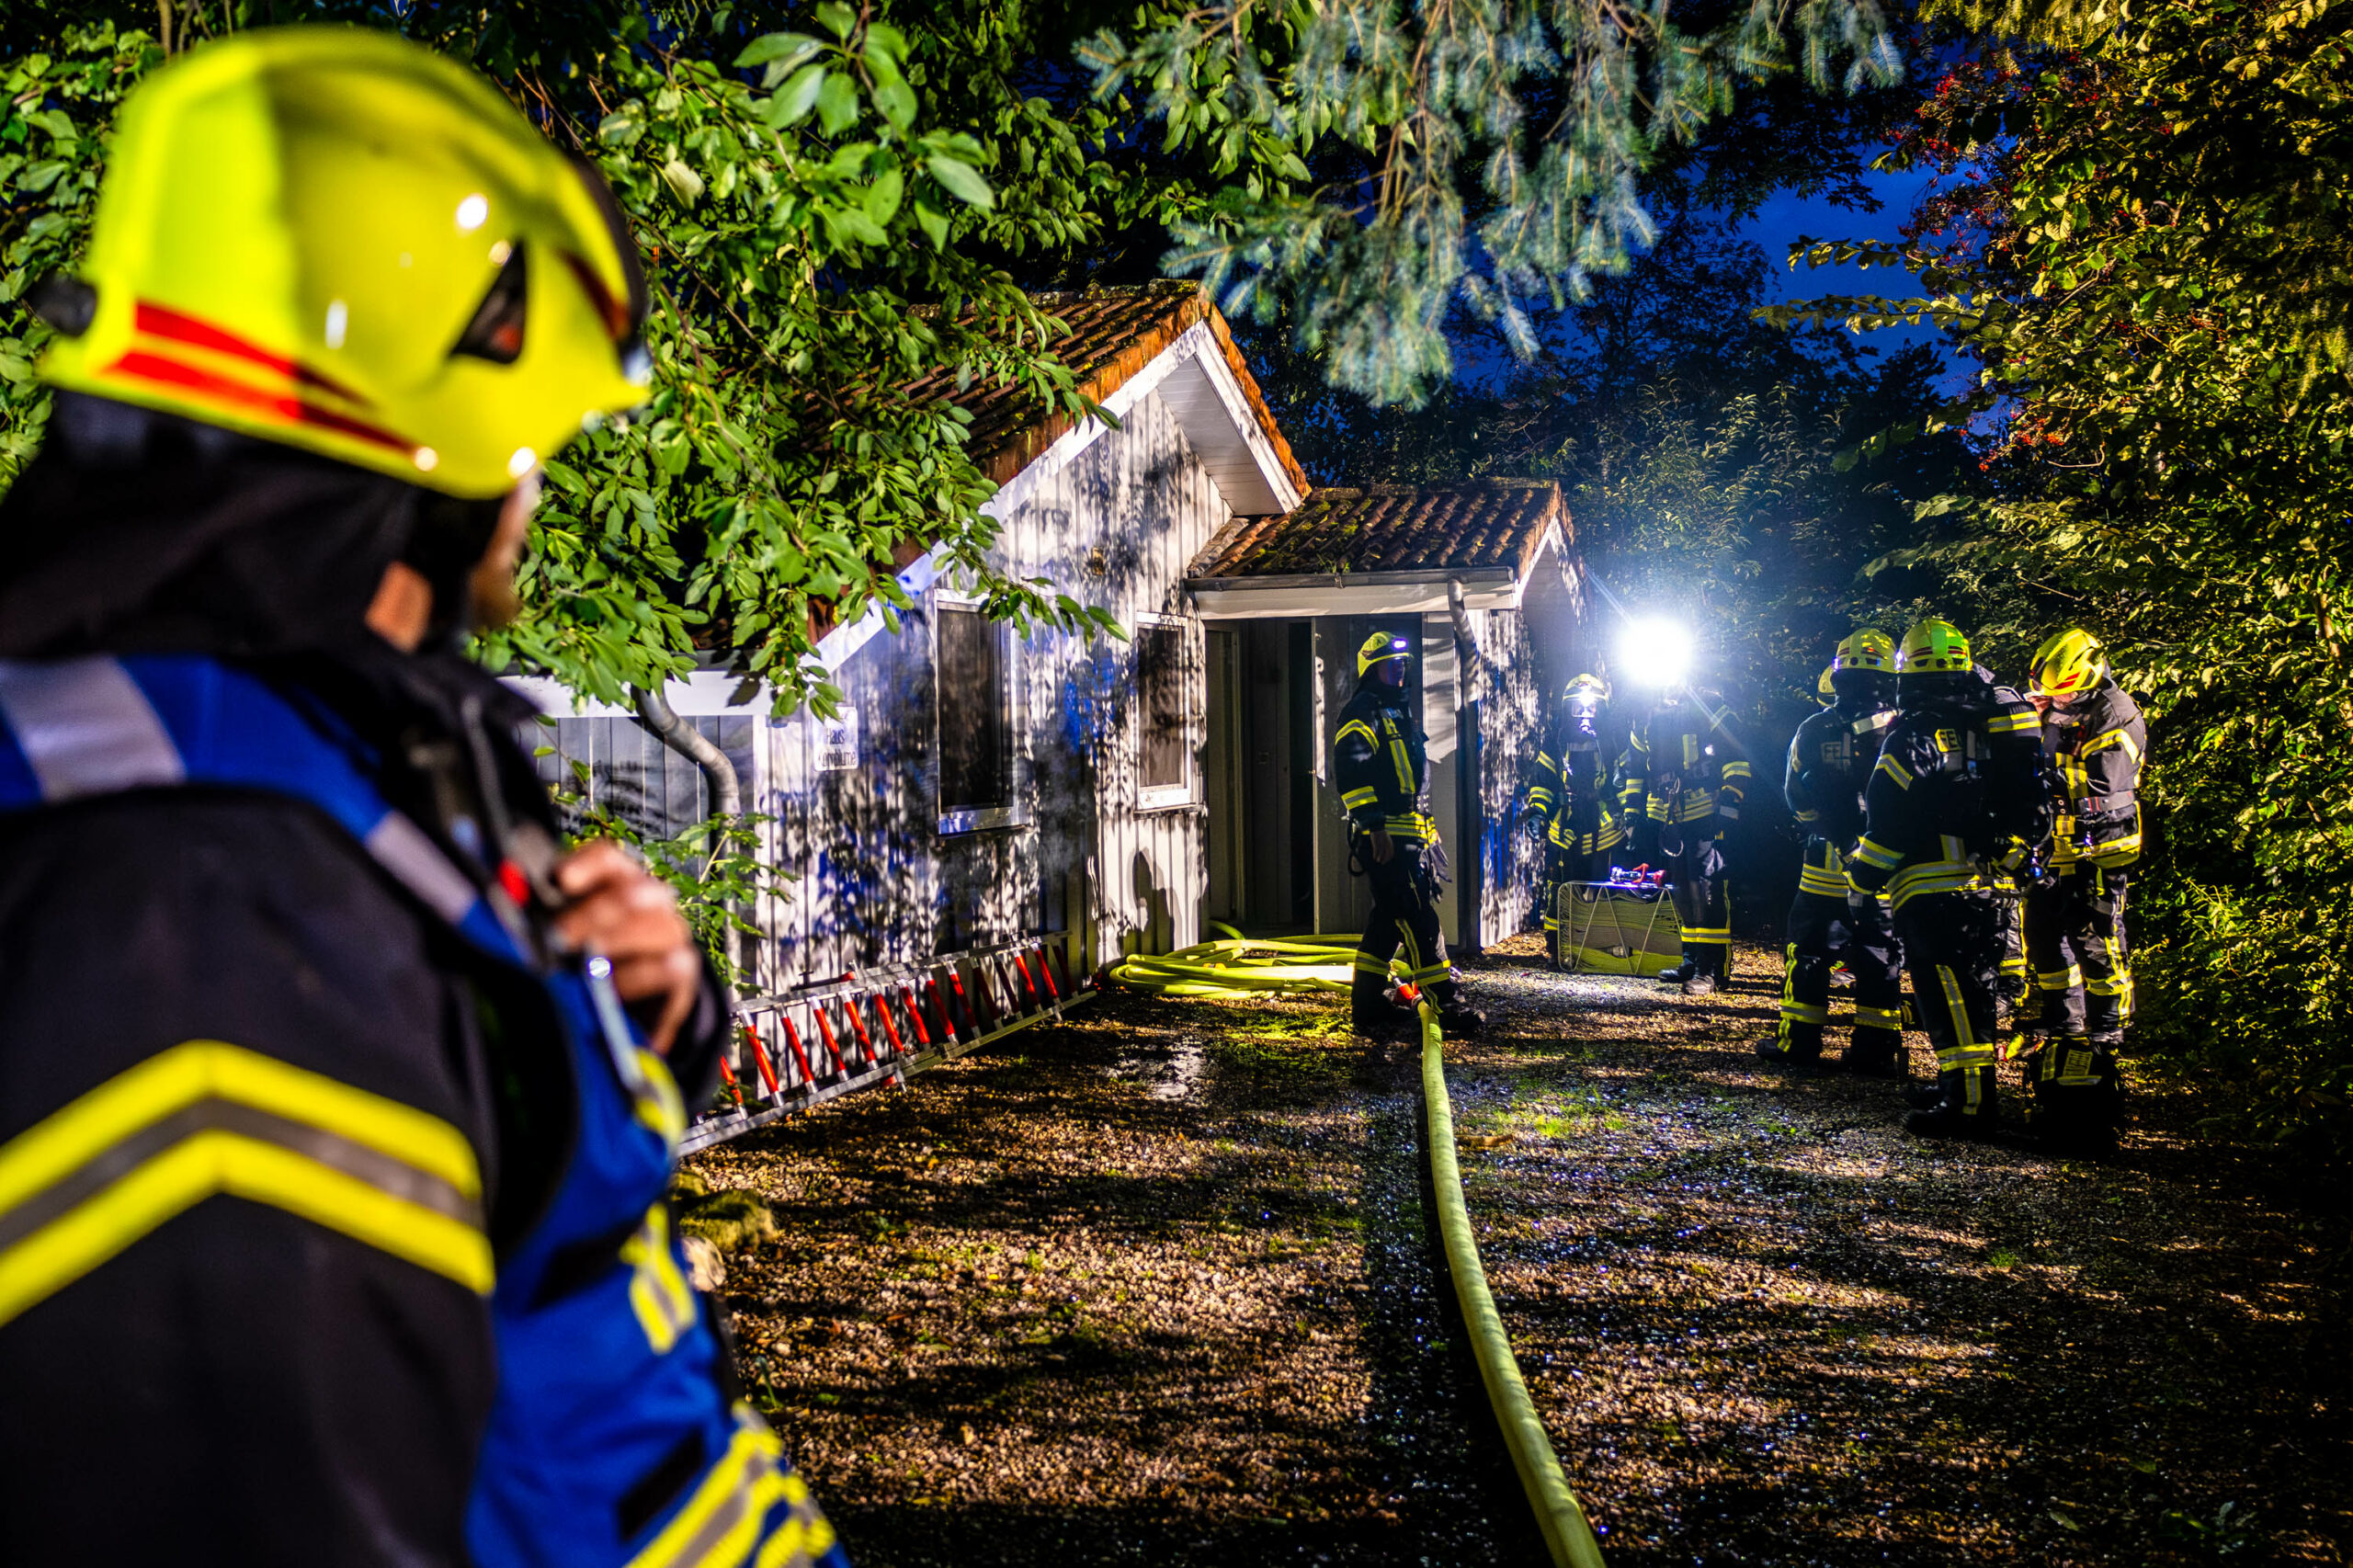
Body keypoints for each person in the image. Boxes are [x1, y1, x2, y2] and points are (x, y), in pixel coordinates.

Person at [0, 30, 843, 1567]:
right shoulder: (201, 909)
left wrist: (638, 1009)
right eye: (524, 443)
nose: (533, 489)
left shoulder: (317, 742)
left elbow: (490, 1160)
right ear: (423, 460)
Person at [1848, 619, 2045, 1139]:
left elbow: (1889, 819)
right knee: (1975, 988)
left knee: (1947, 993)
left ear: (1906, 673)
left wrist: (1862, 878)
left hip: (1935, 885)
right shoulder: (1992, 722)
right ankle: (1959, 1087)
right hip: (1993, 881)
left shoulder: (1913, 734)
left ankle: (1970, 1104)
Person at [2021, 628, 2145, 1153]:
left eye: (2067, 693)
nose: (2060, 700)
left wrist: (2043, 778)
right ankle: (2062, 1023)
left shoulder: (2115, 714)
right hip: (2057, 850)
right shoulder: (2061, 706)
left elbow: (2101, 790)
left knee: (2097, 942)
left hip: (2101, 849)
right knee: (2046, 940)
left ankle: (2106, 1034)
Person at [1758, 631, 1904, 1074]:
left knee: (1809, 953)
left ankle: (1799, 1044)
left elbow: (1793, 792)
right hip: (1883, 869)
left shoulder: (1815, 727)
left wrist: (1822, 832)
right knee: (1880, 955)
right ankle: (1875, 1053)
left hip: (1823, 868)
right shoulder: (1905, 726)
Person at [1333, 630, 1483, 1039]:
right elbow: (1350, 770)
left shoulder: (1398, 711)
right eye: (1390, 663)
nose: (1399, 669)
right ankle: (1445, 1001)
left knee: (1386, 921)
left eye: (1402, 663)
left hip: (1411, 838)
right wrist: (1375, 827)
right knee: (1417, 916)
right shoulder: (1364, 711)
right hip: (1387, 840)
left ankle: (1367, 1008)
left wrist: (1428, 836)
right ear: (1372, 669)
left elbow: (1413, 782)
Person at [1619, 680, 1751, 995]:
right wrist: (1632, 812)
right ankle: (1691, 961)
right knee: (1682, 892)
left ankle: (1711, 969)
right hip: (1668, 818)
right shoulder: (1646, 716)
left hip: (1705, 813)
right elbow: (1635, 770)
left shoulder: (1709, 707)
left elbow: (1736, 758)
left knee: (1707, 890)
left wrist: (1731, 800)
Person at [1524, 672, 1622, 965]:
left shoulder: (1612, 742)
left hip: (1602, 827)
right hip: (1564, 826)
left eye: (1590, 708)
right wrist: (1538, 813)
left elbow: (1625, 781)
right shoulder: (1554, 742)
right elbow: (1543, 783)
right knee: (1560, 888)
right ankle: (1557, 950)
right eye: (1577, 708)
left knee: (1600, 887)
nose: (1584, 715)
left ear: (1600, 709)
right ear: (1567, 710)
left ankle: (1596, 949)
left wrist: (1630, 816)